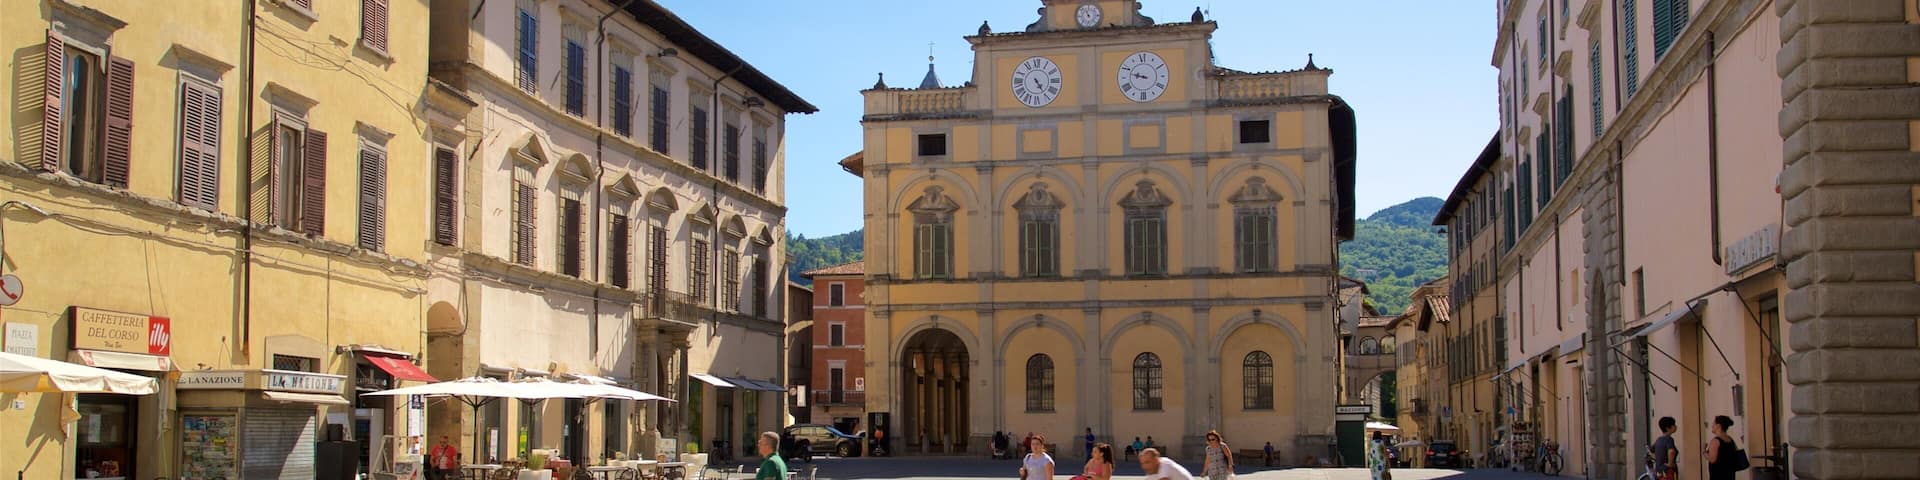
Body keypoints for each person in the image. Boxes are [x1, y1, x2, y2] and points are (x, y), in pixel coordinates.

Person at [1704, 416, 1743, 480]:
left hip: (1718, 475)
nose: (1712, 426)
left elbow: (1712, 459)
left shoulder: (1715, 441)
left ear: (1718, 426)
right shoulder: (1730, 439)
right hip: (1730, 475)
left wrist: (1704, 451)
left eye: (1713, 424)